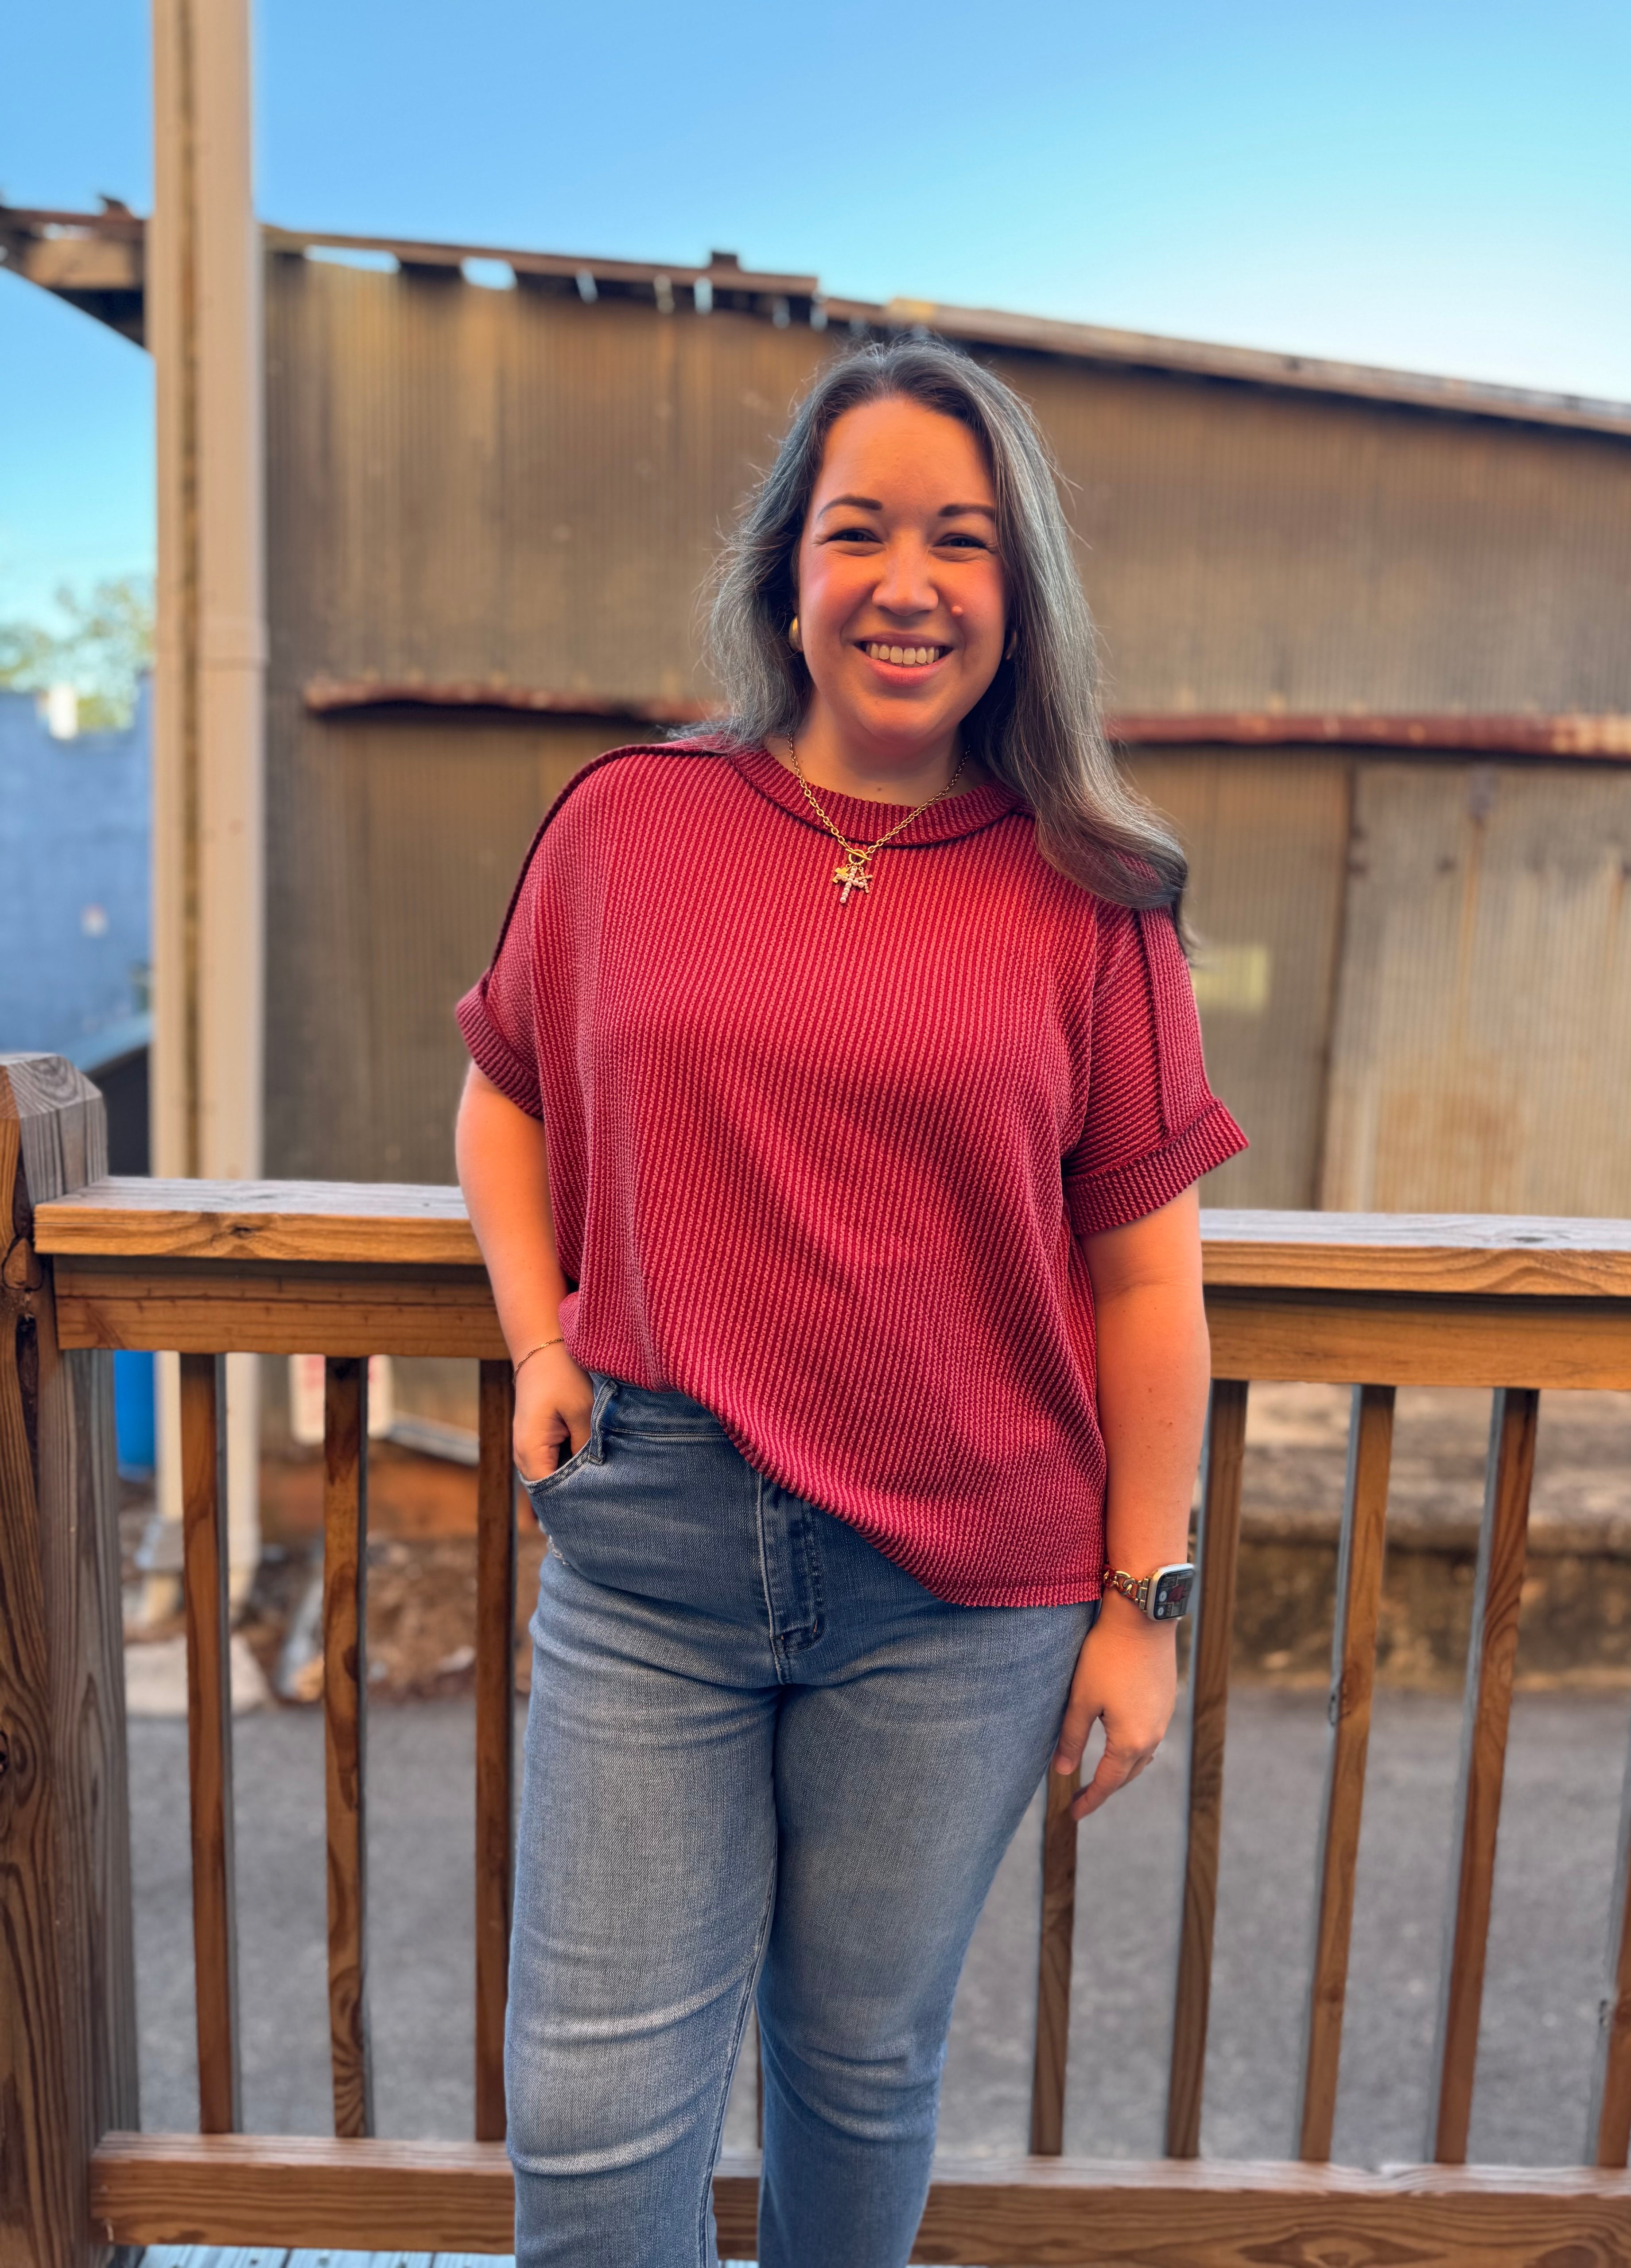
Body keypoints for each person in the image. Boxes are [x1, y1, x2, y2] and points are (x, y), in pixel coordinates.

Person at [454, 336, 1245, 2268]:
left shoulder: (1094, 895)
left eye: (963, 541)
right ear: (789, 572)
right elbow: (502, 1093)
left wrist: (1145, 1607)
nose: (911, 579)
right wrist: (541, 1337)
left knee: (859, 2058)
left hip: (967, 1591)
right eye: (862, 527)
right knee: (588, 2097)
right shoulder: (630, 824)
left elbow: (1148, 1279)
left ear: (1018, 593)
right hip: (653, 1549)